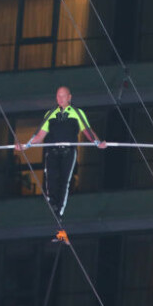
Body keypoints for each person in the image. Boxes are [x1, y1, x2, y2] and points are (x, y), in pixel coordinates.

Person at [16, 86, 106, 239]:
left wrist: (97, 142)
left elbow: (87, 131)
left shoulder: (78, 113)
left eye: (63, 96)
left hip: (68, 152)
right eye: (58, 96)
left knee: (64, 182)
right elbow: (39, 135)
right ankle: (54, 209)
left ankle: (59, 216)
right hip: (52, 152)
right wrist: (26, 145)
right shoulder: (50, 114)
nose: (60, 99)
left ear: (69, 97)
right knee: (51, 182)